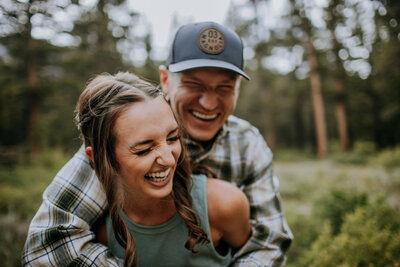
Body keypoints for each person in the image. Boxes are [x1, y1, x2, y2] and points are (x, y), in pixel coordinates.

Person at [22, 21, 293, 267]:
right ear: (165, 79)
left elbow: (268, 242)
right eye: (194, 84)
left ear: (237, 89)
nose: (209, 103)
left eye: (224, 87)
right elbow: (50, 242)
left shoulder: (248, 143)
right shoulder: (118, 136)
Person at [74, 72, 251, 266]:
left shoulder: (225, 205)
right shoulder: (94, 229)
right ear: (98, 158)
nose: (169, 160)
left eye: (173, 138)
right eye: (144, 150)